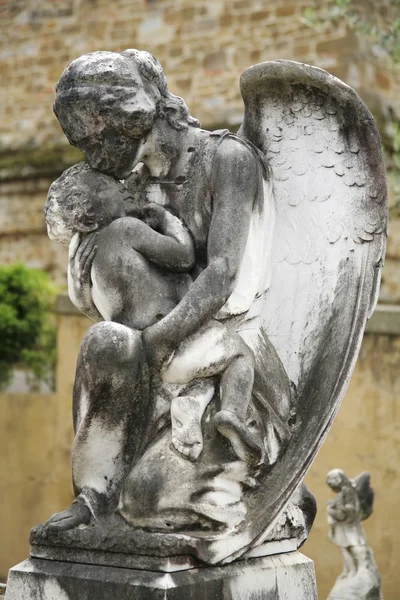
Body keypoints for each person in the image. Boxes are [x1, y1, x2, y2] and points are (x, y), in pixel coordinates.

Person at [44, 49, 290, 532]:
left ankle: (274, 498)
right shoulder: (126, 186)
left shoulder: (227, 160)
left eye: (94, 141)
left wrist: (154, 342)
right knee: (104, 341)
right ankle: (92, 495)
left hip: (224, 359)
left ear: (128, 120)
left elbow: (219, 274)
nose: (89, 158)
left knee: (146, 501)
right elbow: (106, 291)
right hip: (153, 359)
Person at [45, 161, 262, 464]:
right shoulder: (126, 229)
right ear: (93, 209)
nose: (122, 187)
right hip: (172, 336)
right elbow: (183, 257)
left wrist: (75, 275)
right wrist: (166, 218)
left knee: (197, 376)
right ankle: (231, 413)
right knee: (239, 354)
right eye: (108, 186)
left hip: (138, 353)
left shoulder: (84, 260)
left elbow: (86, 305)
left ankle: (191, 406)